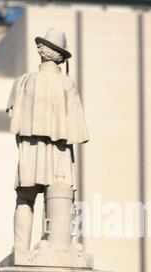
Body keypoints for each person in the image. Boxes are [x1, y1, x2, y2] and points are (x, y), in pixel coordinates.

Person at [6, 28, 89, 251]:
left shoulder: (22, 82)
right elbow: (77, 127)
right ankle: (44, 243)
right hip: (58, 148)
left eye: (42, 45)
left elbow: (14, 117)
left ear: (48, 51)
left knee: (28, 197)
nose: (38, 47)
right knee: (57, 194)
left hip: (34, 147)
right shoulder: (65, 84)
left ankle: (26, 246)